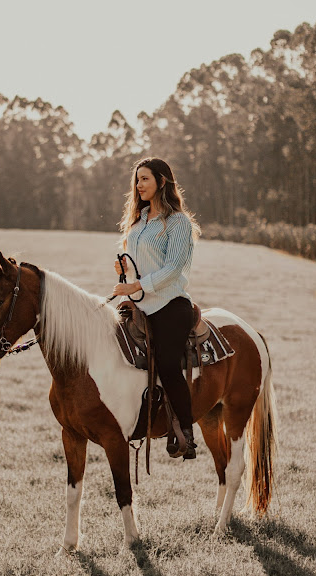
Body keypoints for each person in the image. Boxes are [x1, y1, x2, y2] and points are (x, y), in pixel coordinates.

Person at [113, 157, 201, 458]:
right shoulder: (139, 221)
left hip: (170, 305)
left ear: (162, 181)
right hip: (140, 305)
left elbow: (174, 268)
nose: (138, 185)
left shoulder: (178, 223)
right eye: (137, 180)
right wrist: (124, 267)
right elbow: (138, 262)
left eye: (145, 179)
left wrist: (136, 285)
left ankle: (186, 435)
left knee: (166, 364)